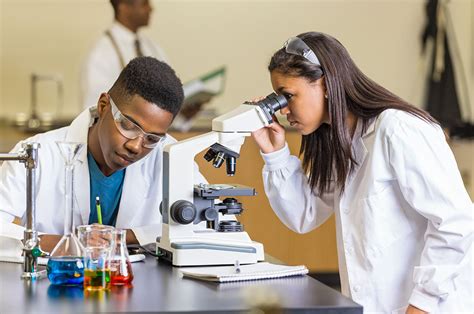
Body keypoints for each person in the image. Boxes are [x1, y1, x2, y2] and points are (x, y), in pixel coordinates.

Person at [251, 32, 473, 313]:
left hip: (428, 307)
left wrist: (422, 305)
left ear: (326, 85)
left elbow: (456, 224)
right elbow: (303, 215)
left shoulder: (397, 129)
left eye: (288, 96)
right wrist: (275, 154)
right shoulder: (343, 142)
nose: (283, 110)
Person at [0, 56, 206, 252]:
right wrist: (67, 243)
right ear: (103, 106)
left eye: (151, 138)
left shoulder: (172, 155)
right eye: (127, 125)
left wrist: (127, 236)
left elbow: (215, 227)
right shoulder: (39, 153)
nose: (135, 146)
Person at [80, 0, 166, 109]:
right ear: (123, 7)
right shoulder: (101, 55)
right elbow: (94, 113)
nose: (151, 9)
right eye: (144, 3)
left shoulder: (152, 47)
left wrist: (183, 115)